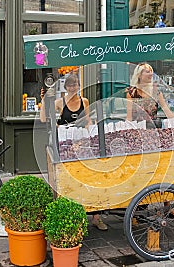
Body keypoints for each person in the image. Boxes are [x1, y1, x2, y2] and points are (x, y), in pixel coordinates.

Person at [40, 73, 108, 231]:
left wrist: (90, 135)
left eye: (75, 85)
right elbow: (44, 119)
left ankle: (96, 217)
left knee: (91, 178)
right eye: (70, 85)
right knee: (69, 181)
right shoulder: (59, 102)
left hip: (82, 145)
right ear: (66, 87)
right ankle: (71, 215)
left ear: (79, 86)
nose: (73, 87)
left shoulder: (84, 101)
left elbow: (89, 121)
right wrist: (43, 100)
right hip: (66, 148)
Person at [126, 63, 174, 127]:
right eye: (147, 72)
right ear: (139, 75)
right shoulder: (131, 92)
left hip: (153, 128)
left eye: (151, 71)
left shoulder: (156, 91)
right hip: (137, 128)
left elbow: (166, 109)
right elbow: (129, 116)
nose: (151, 74)